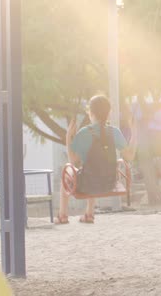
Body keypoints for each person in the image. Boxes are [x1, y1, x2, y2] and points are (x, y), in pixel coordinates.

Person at [55, 95, 137, 224]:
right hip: (109, 184)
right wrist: (134, 132)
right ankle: (89, 214)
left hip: (87, 185)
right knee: (91, 170)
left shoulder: (84, 133)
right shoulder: (114, 132)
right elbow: (130, 156)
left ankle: (62, 215)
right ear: (109, 113)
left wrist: (68, 137)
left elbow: (72, 160)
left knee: (68, 174)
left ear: (91, 113)